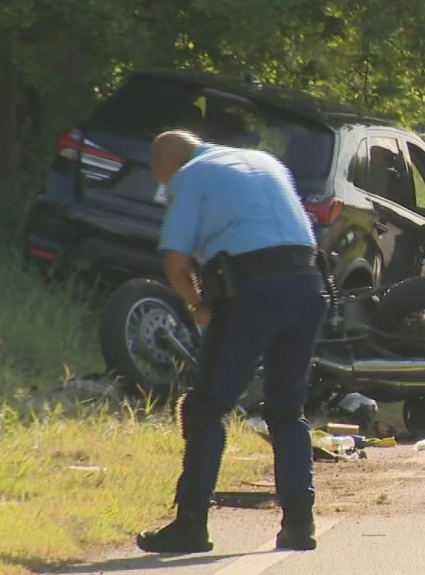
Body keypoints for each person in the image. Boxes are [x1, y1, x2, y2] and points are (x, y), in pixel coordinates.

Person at [136, 131, 328, 553]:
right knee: (286, 410)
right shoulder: (265, 161)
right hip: (308, 286)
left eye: (162, 180)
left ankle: (190, 525)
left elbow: (175, 261)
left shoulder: (191, 175)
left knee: (206, 407)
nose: (166, 191)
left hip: (255, 292)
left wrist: (198, 303)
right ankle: (300, 524)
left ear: (170, 165)